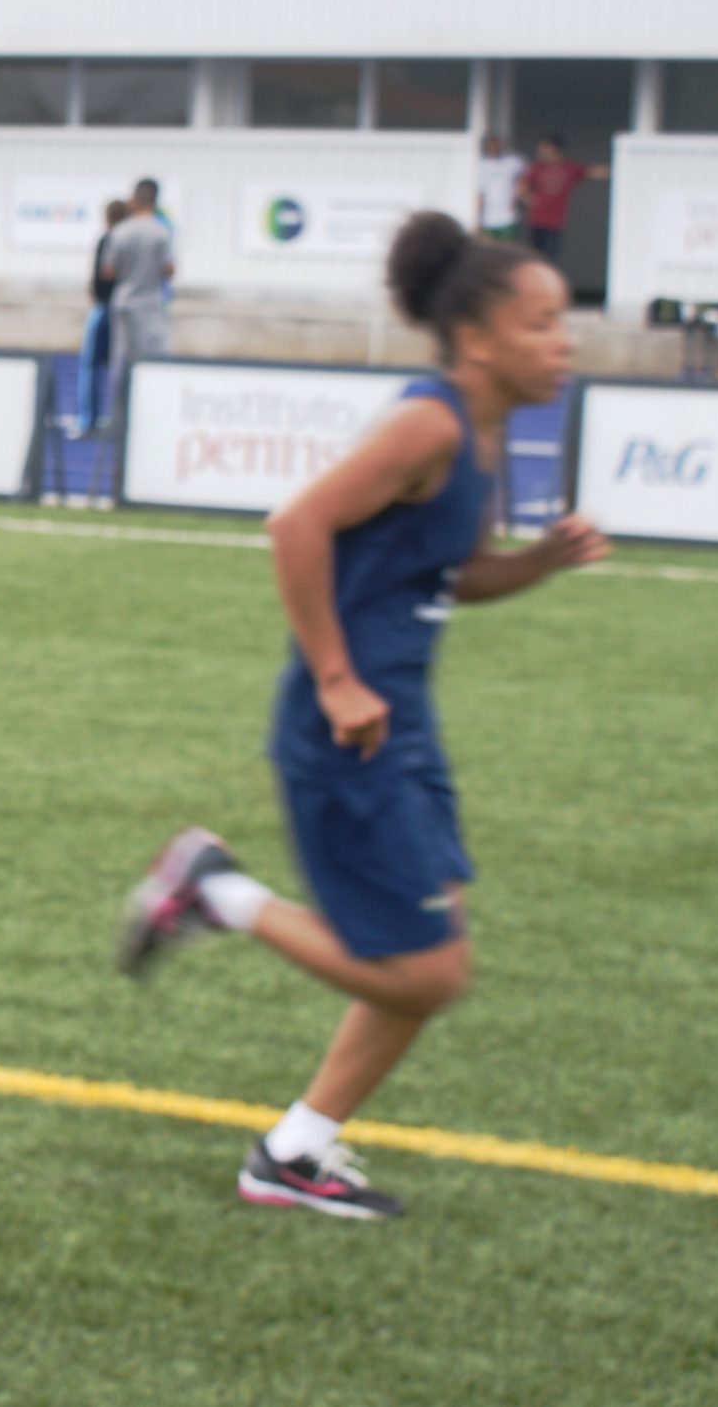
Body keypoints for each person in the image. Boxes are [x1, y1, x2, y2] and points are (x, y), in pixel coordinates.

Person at [115, 212, 609, 1219]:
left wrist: (538, 562)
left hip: (400, 723)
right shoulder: (429, 422)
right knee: (428, 974)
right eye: (543, 322)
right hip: (349, 729)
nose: (566, 342)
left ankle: (295, 1150)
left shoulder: (483, 428)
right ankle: (217, 894)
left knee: (429, 954)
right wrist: (337, 678)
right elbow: (295, 523)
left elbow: (452, 571)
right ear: (475, 338)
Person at [102, 177, 175, 434]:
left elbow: (109, 271)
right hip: (150, 303)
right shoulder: (161, 231)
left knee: (120, 362)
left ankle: (118, 418)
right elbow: (169, 270)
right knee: (155, 360)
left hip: (124, 302)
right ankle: (155, 416)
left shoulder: (122, 232)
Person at [73, 197, 131, 433]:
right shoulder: (123, 240)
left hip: (105, 307)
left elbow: (103, 274)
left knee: (91, 364)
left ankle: (88, 419)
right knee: (114, 365)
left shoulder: (111, 240)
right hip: (119, 308)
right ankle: (113, 417)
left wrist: (98, 295)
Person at [518, 132, 609, 260]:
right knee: (535, 257)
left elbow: (591, 172)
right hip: (537, 220)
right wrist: (530, 199)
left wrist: (620, 168)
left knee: (550, 256)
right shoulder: (537, 168)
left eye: (545, 148)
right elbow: (521, 185)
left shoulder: (569, 168)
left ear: (555, 149)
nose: (540, 152)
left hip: (556, 222)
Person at [474, 132, 524, 240]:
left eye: (496, 144)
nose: (494, 147)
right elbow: (480, 193)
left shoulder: (513, 162)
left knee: (507, 248)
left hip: (508, 217)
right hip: (488, 218)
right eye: (491, 144)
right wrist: (478, 218)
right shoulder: (482, 166)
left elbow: (523, 181)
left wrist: (517, 200)